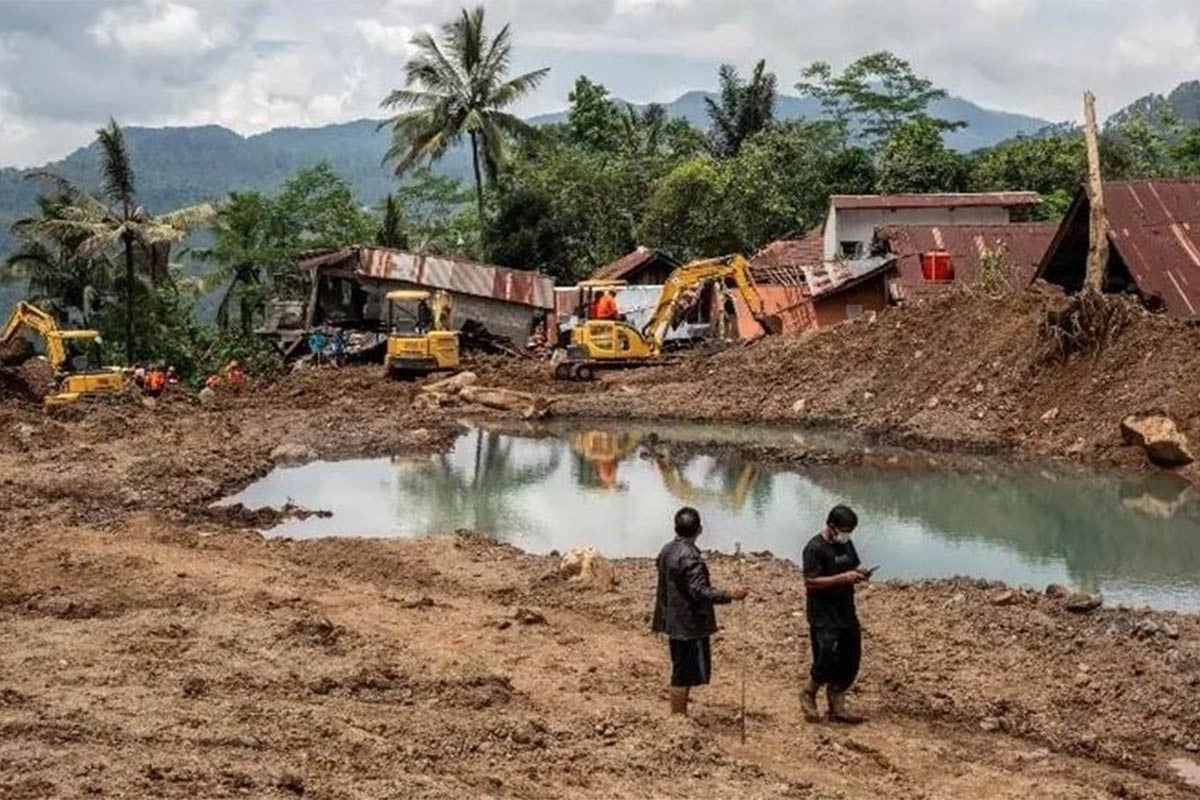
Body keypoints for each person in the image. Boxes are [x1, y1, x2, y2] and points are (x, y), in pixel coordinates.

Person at [652, 506, 748, 716]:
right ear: (699, 530)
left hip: (672, 619)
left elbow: (660, 566)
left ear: (676, 528)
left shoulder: (667, 549)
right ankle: (678, 717)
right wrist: (730, 594)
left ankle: (680, 715)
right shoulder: (691, 557)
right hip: (688, 624)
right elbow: (699, 591)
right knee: (682, 673)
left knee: (680, 668)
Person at [801, 504, 871, 724]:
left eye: (849, 531)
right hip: (823, 613)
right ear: (831, 526)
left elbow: (852, 566)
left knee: (851, 657)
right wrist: (843, 578)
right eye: (843, 530)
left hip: (845, 610)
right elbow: (810, 582)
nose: (846, 535)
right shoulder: (814, 548)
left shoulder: (846, 543)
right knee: (826, 655)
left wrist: (859, 574)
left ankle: (837, 705)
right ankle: (809, 693)